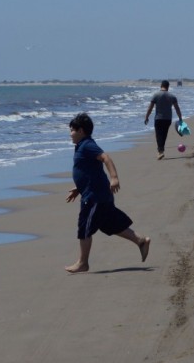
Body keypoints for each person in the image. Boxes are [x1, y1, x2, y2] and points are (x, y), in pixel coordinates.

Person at [65, 113, 150, 273]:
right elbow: (89, 171)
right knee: (111, 224)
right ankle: (140, 241)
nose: (70, 133)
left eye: (72, 130)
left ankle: (83, 262)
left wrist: (114, 177)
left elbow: (106, 158)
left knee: (84, 227)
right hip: (97, 194)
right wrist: (78, 188)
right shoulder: (81, 146)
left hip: (94, 197)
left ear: (81, 131)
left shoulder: (87, 145)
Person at [144, 80, 184, 160]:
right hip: (168, 119)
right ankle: (161, 150)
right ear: (168, 87)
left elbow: (150, 107)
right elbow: (177, 108)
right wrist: (180, 118)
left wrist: (147, 117)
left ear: (161, 86)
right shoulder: (172, 96)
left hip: (158, 118)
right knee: (164, 135)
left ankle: (160, 151)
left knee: (158, 135)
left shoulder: (156, 95)